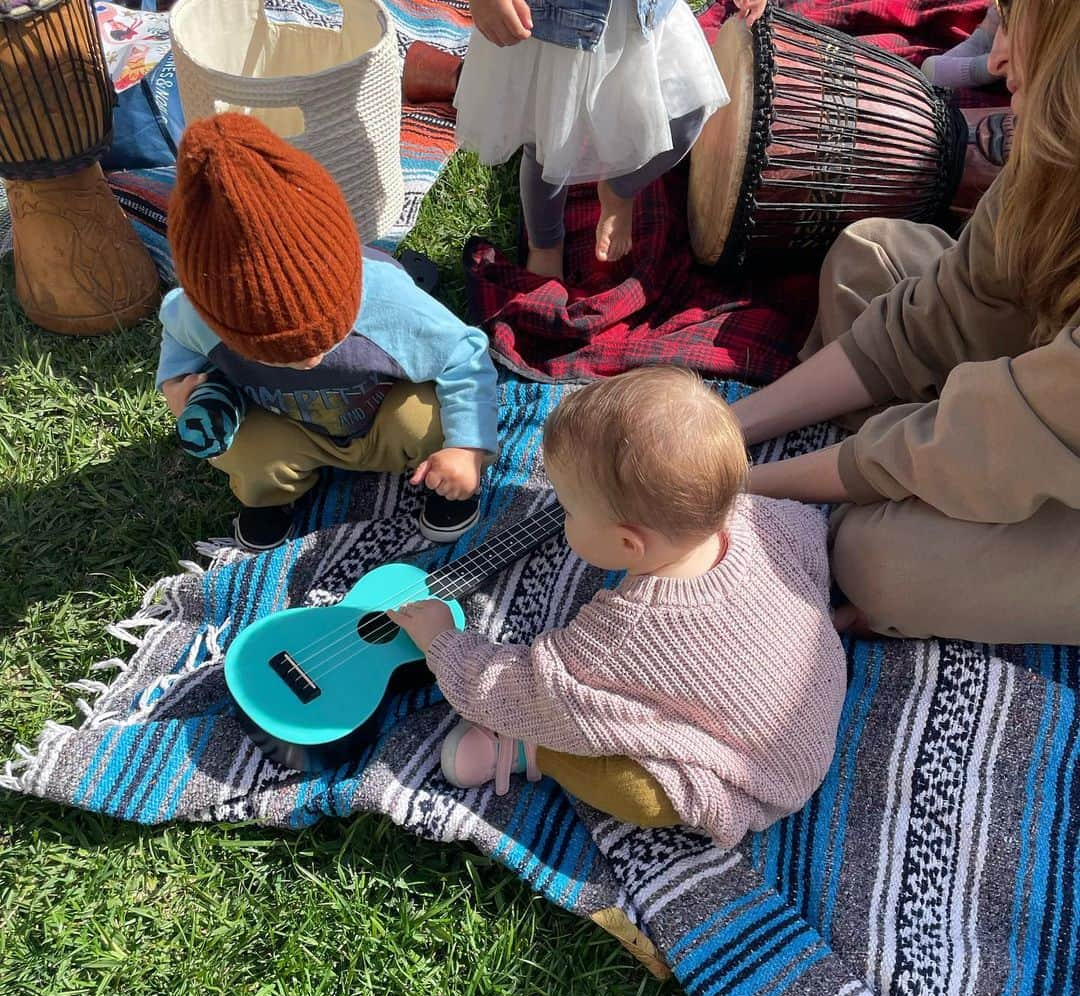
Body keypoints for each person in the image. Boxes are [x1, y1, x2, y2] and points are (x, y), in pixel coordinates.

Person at [730, 0, 1080, 644]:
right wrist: (728, 428)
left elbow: (995, 434)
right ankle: (933, 471)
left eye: (1020, 26)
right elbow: (939, 314)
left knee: (878, 559)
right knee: (869, 258)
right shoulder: (1057, 153)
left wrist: (738, 484)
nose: (996, 60)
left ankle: (941, 496)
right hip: (1041, 407)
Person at [389, 368, 846, 847]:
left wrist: (442, 643)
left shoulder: (625, 632)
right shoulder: (767, 517)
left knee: (637, 792)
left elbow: (527, 690)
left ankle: (532, 750)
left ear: (629, 544)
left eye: (568, 510)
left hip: (747, 779)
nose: (560, 516)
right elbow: (812, 546)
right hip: (813, 710)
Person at [155, 114, 500, 552]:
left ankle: (446, 481)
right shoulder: (192, 315)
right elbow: (178, 348)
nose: (307, 361)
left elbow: (464, 354)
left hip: (382, 419)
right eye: (278, 354)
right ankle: (272, 497)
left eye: (324, 339)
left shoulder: (387, 300)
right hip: (291, 429)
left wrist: (467, 449)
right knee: (243, 451)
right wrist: (177, 390)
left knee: (427, 420)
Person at [454, 0, 765, 279]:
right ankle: (546, 243)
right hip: (559, 24)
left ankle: (619, 190)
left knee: (690, 114)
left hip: (648, 15)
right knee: (550, 142)